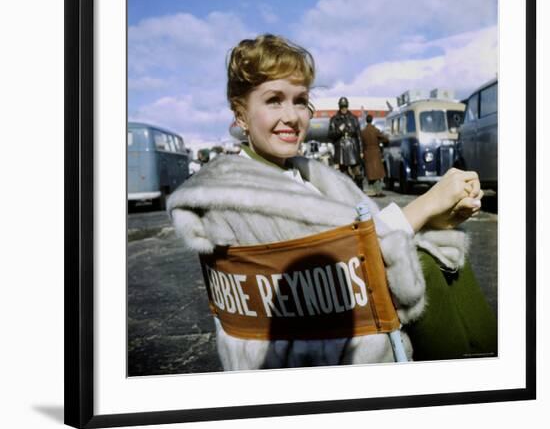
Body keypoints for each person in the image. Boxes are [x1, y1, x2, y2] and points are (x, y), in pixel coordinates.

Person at [167, 34, 494, 370]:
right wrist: (425, 205)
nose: (292, 116)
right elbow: (340, 268)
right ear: (240, 114)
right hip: (327, 349)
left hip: (339, 328)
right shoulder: (238, 199)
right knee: (427, 264)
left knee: (444, 252)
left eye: (300, 101)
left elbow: (353, 240)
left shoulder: (299, 173)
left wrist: (437, 218)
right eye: (274, 100)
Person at [328, 97, 364, 190]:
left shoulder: (354, 118)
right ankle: (348, 191)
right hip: (341, 148)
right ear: (339, 107)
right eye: (342, 106)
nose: (344, 108)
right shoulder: (334, 119)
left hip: (353, 147)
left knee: (357, 172)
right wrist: (339, 130)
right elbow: (330, 135)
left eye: (345, 106)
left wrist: (361, 150)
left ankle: (360, 191)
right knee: (343, 172)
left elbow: (359, 135)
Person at [361, 114, 389, 197]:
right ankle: (378, 191)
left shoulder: (363, 131)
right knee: (377, 174)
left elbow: (361, 143)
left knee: (370, 174)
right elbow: (385, 139)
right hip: (375, 152)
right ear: (372, 120)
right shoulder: (375, 130)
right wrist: (381, 142)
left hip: (367, 153)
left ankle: (373, 190)